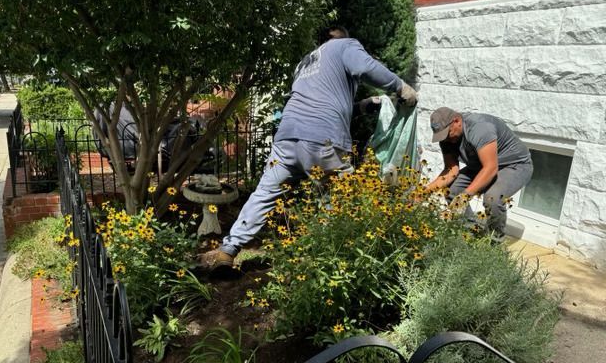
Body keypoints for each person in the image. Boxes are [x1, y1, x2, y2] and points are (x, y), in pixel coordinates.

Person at [201, 25, 418, 271]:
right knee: (339, 199)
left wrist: (363, 106)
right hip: (322, 141)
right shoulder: (344, 45)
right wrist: (399, 86)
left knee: (264, 195)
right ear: (339, 37)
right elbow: (366, 67)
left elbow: (323, 102)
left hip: (287, 138)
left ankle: (227, 251)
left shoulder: (305, 63)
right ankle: (328, 259)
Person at [426, 107, 533, 241]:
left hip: (514, 164)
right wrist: (424, 192)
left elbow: (490, 168)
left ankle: (494, 242)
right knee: (451, 191)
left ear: (457, 121)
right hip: (482, 165)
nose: (446, 139)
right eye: (442, 135)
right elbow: (451, 171)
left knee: (493, 199)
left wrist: (465, 196)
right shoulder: (447, 138)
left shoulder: (480, 128)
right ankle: (470, 233)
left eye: (448, 133)